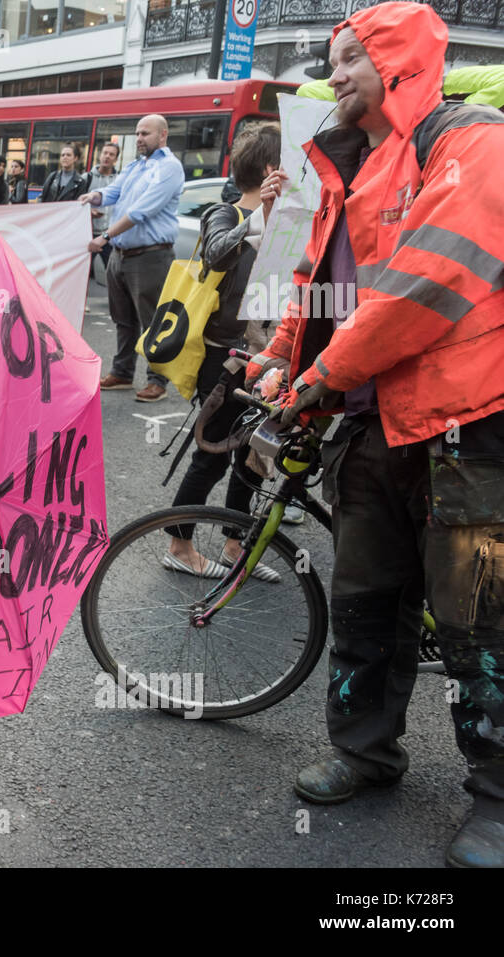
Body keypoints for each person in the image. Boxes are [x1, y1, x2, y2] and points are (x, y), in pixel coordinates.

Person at [241, 1, 504, 868]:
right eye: (333, 59)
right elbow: (321, 292)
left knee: (480, 623)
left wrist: (316, 380)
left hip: (466, 433)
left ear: (396, 60)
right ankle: (364, 749)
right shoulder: (350, 166)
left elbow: (421, 292)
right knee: (364, 601)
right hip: (370, 431)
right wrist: (278, 359)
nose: (335, 74)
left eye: (351, 57)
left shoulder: (473, 145)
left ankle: (497, 799)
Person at [163, 123, 281, 580]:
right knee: (212, 452)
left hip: (268, 357)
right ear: (271, 169)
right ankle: (179, 543)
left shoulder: (288, 221)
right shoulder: (227, 214)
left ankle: (236, 544)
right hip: (225, 357)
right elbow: (215, 254)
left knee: (256, 453)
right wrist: (258, 219)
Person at [80, 114, 184, 403]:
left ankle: (157, 380)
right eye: (137, 133)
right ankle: (123, 373)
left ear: (162, 135)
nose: (139, 138)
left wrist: (105, 237)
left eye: (146, 134)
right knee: (123, 319)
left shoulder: (169, 167)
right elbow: (113, 192)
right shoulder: (135, 166)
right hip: (121, 256)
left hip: (150, 257)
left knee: (153, 321)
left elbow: (141, 211)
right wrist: (94, 196)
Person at [85, 143, 120, 281]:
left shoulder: (120, 180)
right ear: (99, 155)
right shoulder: (86, 178)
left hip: (110, 236)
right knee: (83, 275)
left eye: (111, 154)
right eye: (105, 153)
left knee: (113, 276)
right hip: (88, 235)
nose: (107, 156)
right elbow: (76, 204)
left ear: (116, 159)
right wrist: (89, 211)